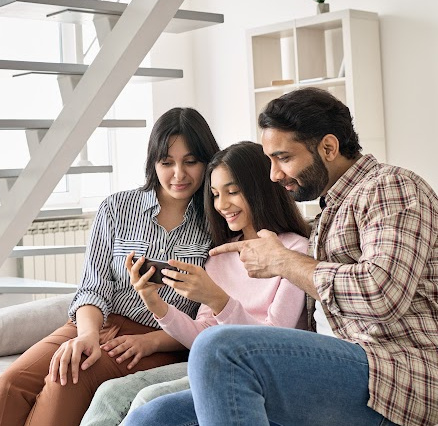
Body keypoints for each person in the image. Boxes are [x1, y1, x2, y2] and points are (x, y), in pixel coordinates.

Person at [124, 87, 438, 426]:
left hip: (396, 376)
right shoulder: (326, 216)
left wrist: (282, 261)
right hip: (338, 372)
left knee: (219, 348)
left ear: (328, 148)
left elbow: (381, 294)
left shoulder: (391, 186)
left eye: (283, 158)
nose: (274, 175)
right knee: (155, 416)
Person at [0, 107, 220, 426]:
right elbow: (93, 286)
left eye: (191, 161)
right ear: (153, 162)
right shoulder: (117, 208)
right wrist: (87, 335)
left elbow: (210, 317)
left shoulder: (217, 223)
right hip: (95, 323)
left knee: (69, 378)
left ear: (207, 162)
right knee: (10, 385)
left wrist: (151, 342)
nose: (178, 175)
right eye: (167, 162)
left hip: (163, 338)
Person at [79, 141, 310, 426]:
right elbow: (200, 336)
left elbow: (271, 345)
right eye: (215, 194)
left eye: (233, 191)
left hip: (260, 374)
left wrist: (219, 301)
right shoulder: (219, 257)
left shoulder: (294, 252)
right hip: (211, 362)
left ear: (260, 188)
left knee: (147, 400)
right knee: (110, 393)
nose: (222, 205)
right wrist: (156, 304)